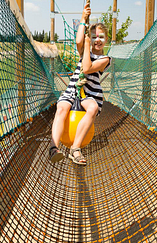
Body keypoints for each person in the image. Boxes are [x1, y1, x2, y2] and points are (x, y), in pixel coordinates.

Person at [49, 3, 111, 165]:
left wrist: (87, 47)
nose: (98, 40)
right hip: (72, 91)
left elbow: (88, 67)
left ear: (106, 40)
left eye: (101, 37)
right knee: (61, 108)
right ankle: (53, 147)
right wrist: (83, 18)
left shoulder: (105, 59)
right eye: (94, 36)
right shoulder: (85, 51)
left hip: (91, 94)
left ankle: (75, 149)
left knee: (92, 108)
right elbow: (78, 42)